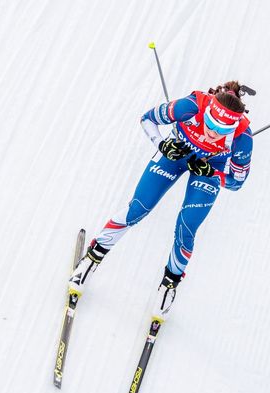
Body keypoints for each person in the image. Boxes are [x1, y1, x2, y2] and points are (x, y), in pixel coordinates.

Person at [68, 80, 254, 322]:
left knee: (187, 226)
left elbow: (237, 182)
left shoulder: (242, 137)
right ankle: (92, 258)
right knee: (139, 208)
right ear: (206, 112)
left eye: (222, 131)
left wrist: (213, 172)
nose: (214, 134)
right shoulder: (191, 105)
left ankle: (169, 285)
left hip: (210, 167)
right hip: (176, 152)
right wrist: (163, 144)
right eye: (210, 125)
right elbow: (147, 119)